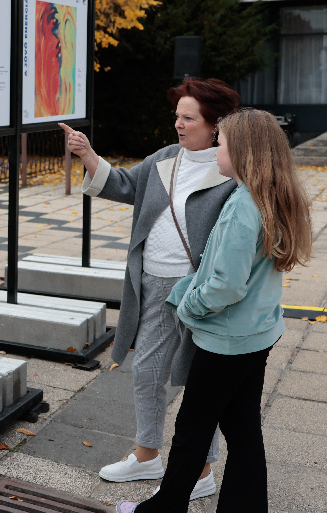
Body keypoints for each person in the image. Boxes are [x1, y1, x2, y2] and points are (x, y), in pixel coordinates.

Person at [116, 109, 312, 513]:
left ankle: (163, 509)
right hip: (255, 335)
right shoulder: (267, 195)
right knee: (242, 431)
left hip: (226, 340)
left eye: (220, 143)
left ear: (241, 152)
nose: (215, 149)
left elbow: (226, 283)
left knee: (191, 429)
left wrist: (188, 305)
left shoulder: (243, 206)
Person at [61, 78, 241, 501]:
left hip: (199, 292)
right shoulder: (165, 159)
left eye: (188, 117)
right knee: (146, 371)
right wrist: (87, 154)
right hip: (152, 284)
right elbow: (124, 185)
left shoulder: (231, 168)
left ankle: (201, 470)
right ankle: (147, 454)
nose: (178, 124)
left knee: (200, 382)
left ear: (215, 124)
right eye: (176, 115)